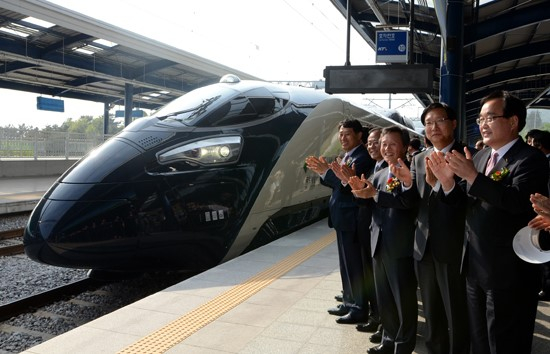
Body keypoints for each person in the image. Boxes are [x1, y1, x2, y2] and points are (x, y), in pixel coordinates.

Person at [427, 90, 549, 354]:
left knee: (505, 341)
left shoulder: (530, 159)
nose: (482, 124)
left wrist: (473, 177)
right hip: (475, 266)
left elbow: (517, 202)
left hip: (509, 272)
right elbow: (462, 202)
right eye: (480, 119)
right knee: (479, 339)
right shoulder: (480, 157)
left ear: (513, 121)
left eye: (490, 118)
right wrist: (446, 184)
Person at [382, 103, 470, 354]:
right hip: (423, 246)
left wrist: (443, 185)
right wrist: (407, 186)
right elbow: (411, 202)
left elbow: (468, 205)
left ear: (453, 123)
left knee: (456, 311)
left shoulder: (467, 156)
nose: (433, 127)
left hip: (455, 248)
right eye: (428, 123)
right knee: (431, 311)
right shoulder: (418, 159)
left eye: (439, 121)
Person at [349, 126, 418, 354]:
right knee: (385, 297)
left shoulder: (411, 173)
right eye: (383, 144)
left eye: (392, 144)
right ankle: (388, 339)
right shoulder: (378, 174)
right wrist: (359, 192)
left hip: (400, 246)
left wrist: (375, 195)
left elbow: (408, 203)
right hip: (377, 243)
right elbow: (368, 203)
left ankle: (403, 345)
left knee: (403, 300)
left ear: (405, 147)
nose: (386, 148)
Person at [305, 119, 372, 324]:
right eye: (341, 134)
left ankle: (358, 307)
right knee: (345, 263)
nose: (343, 138)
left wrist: (327, 172)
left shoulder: (362, 158)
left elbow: (347, 187)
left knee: (354, 264)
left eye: (347, 134)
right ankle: (349, 300)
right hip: (342, 218)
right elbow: (337, 184)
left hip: (352, 218)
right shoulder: (347, 156)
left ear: (360, 135)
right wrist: (324, 173)